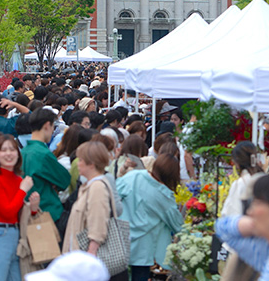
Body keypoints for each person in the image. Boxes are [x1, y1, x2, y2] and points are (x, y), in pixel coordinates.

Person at [63, 141, 127, 281]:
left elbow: (98, 221)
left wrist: (91, 252)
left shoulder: (97, 187)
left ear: (91, 164)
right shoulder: (91, 185)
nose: (77, 163)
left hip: (88, 257)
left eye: (81, 160)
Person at [0, 134, 39, 281]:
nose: (8, 154)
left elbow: (17, 212)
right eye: (3, 150)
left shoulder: (18, 179)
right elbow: (7, 211)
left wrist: (33, 208)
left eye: (12, 149)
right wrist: (23, 190)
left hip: (14, 234)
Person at [118, 153, 183, 281]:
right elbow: (177, 224)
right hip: (143, 247)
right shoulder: (164, 195)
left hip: (120, 238)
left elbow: (113, 194)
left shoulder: (134, 175)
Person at [21, 108, 72, 226]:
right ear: (47, 125)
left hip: (27, 212)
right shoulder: (43, 154)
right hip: (49, 213)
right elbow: (65, 180)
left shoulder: (23, 152)